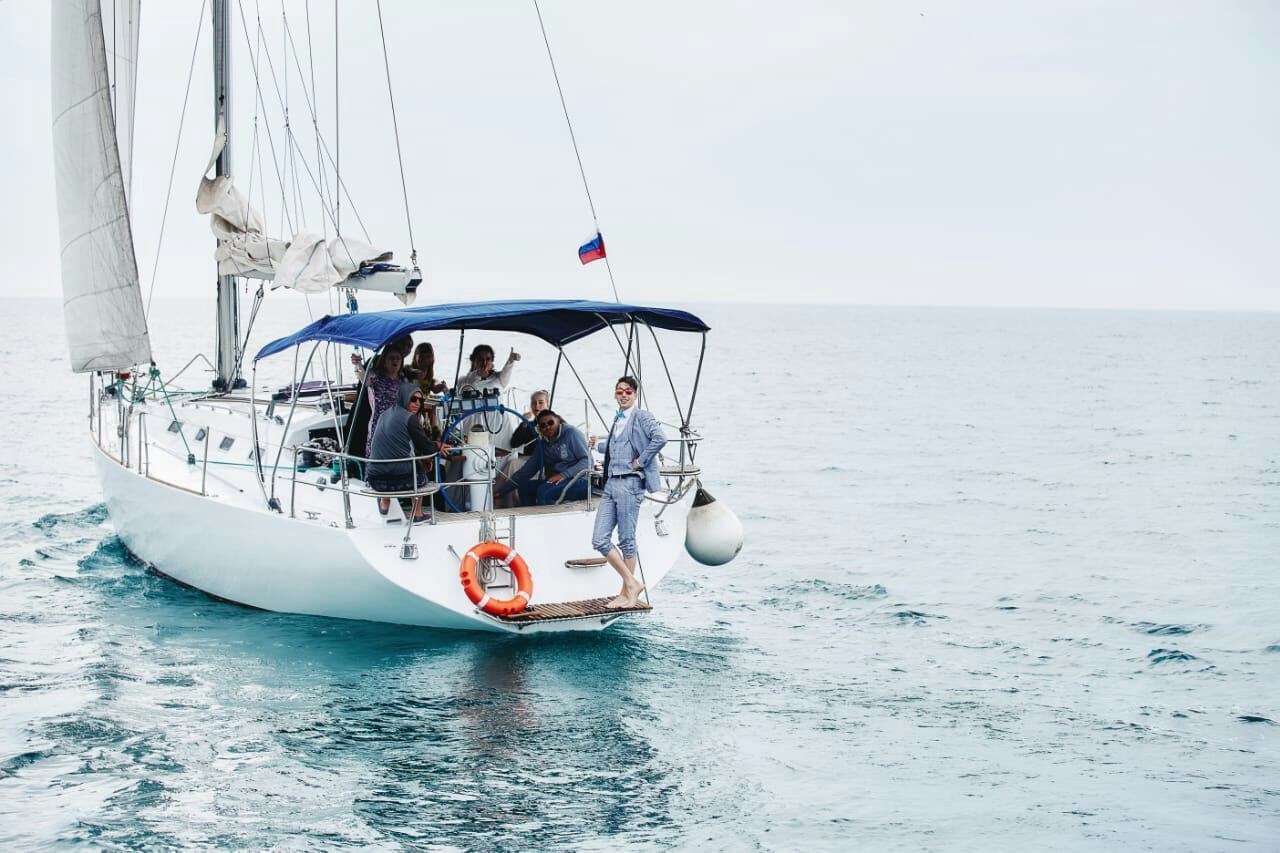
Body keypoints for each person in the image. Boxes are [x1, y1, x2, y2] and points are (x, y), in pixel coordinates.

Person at [590, 376, 666, 608]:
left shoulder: (641, 415)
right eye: (619, 391)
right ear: (615, 394)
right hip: (611, 483)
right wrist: (597, 444)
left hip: (630, 484)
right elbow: (617, 445)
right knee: (599, 539)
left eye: (628, 391)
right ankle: (632, 584)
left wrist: (640, 461)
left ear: (635, 394)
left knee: (626, 539)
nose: (623, 395)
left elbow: (660, 438)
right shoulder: (618, 417)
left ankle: (626, 593)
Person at [365, 384, 438, 522]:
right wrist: (438, 446)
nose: (417, 403)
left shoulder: (383, 415)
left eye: (420, 400)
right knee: (420, 471)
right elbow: (428, 448)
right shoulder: (409, 418)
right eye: (413, 399)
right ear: (404, 398)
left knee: (394, 460)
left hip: (375, 480)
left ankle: (384, 502)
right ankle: (417, 514)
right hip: (402, 480)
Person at [497, 409, 590, 507]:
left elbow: (588, 461)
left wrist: (563, 475)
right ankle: (531, 515)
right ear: (539, 428)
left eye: (550, 423)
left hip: (580, 480)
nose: (547, 427)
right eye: (543, 425)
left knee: (544, 491)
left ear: (558, 420)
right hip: (557, 481)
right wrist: (503, 491)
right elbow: (527, 470)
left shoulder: (571, 433)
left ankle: (548, 516)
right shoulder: (542, 443)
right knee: (524, 488)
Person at [350, 348, 406, 456]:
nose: (395, 360)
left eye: (398, 358)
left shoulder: (403, 381)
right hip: (378, 425)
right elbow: (363, 377)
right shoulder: (376, 376)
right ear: (384, 361)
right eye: (391, 358)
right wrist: (357, 364)